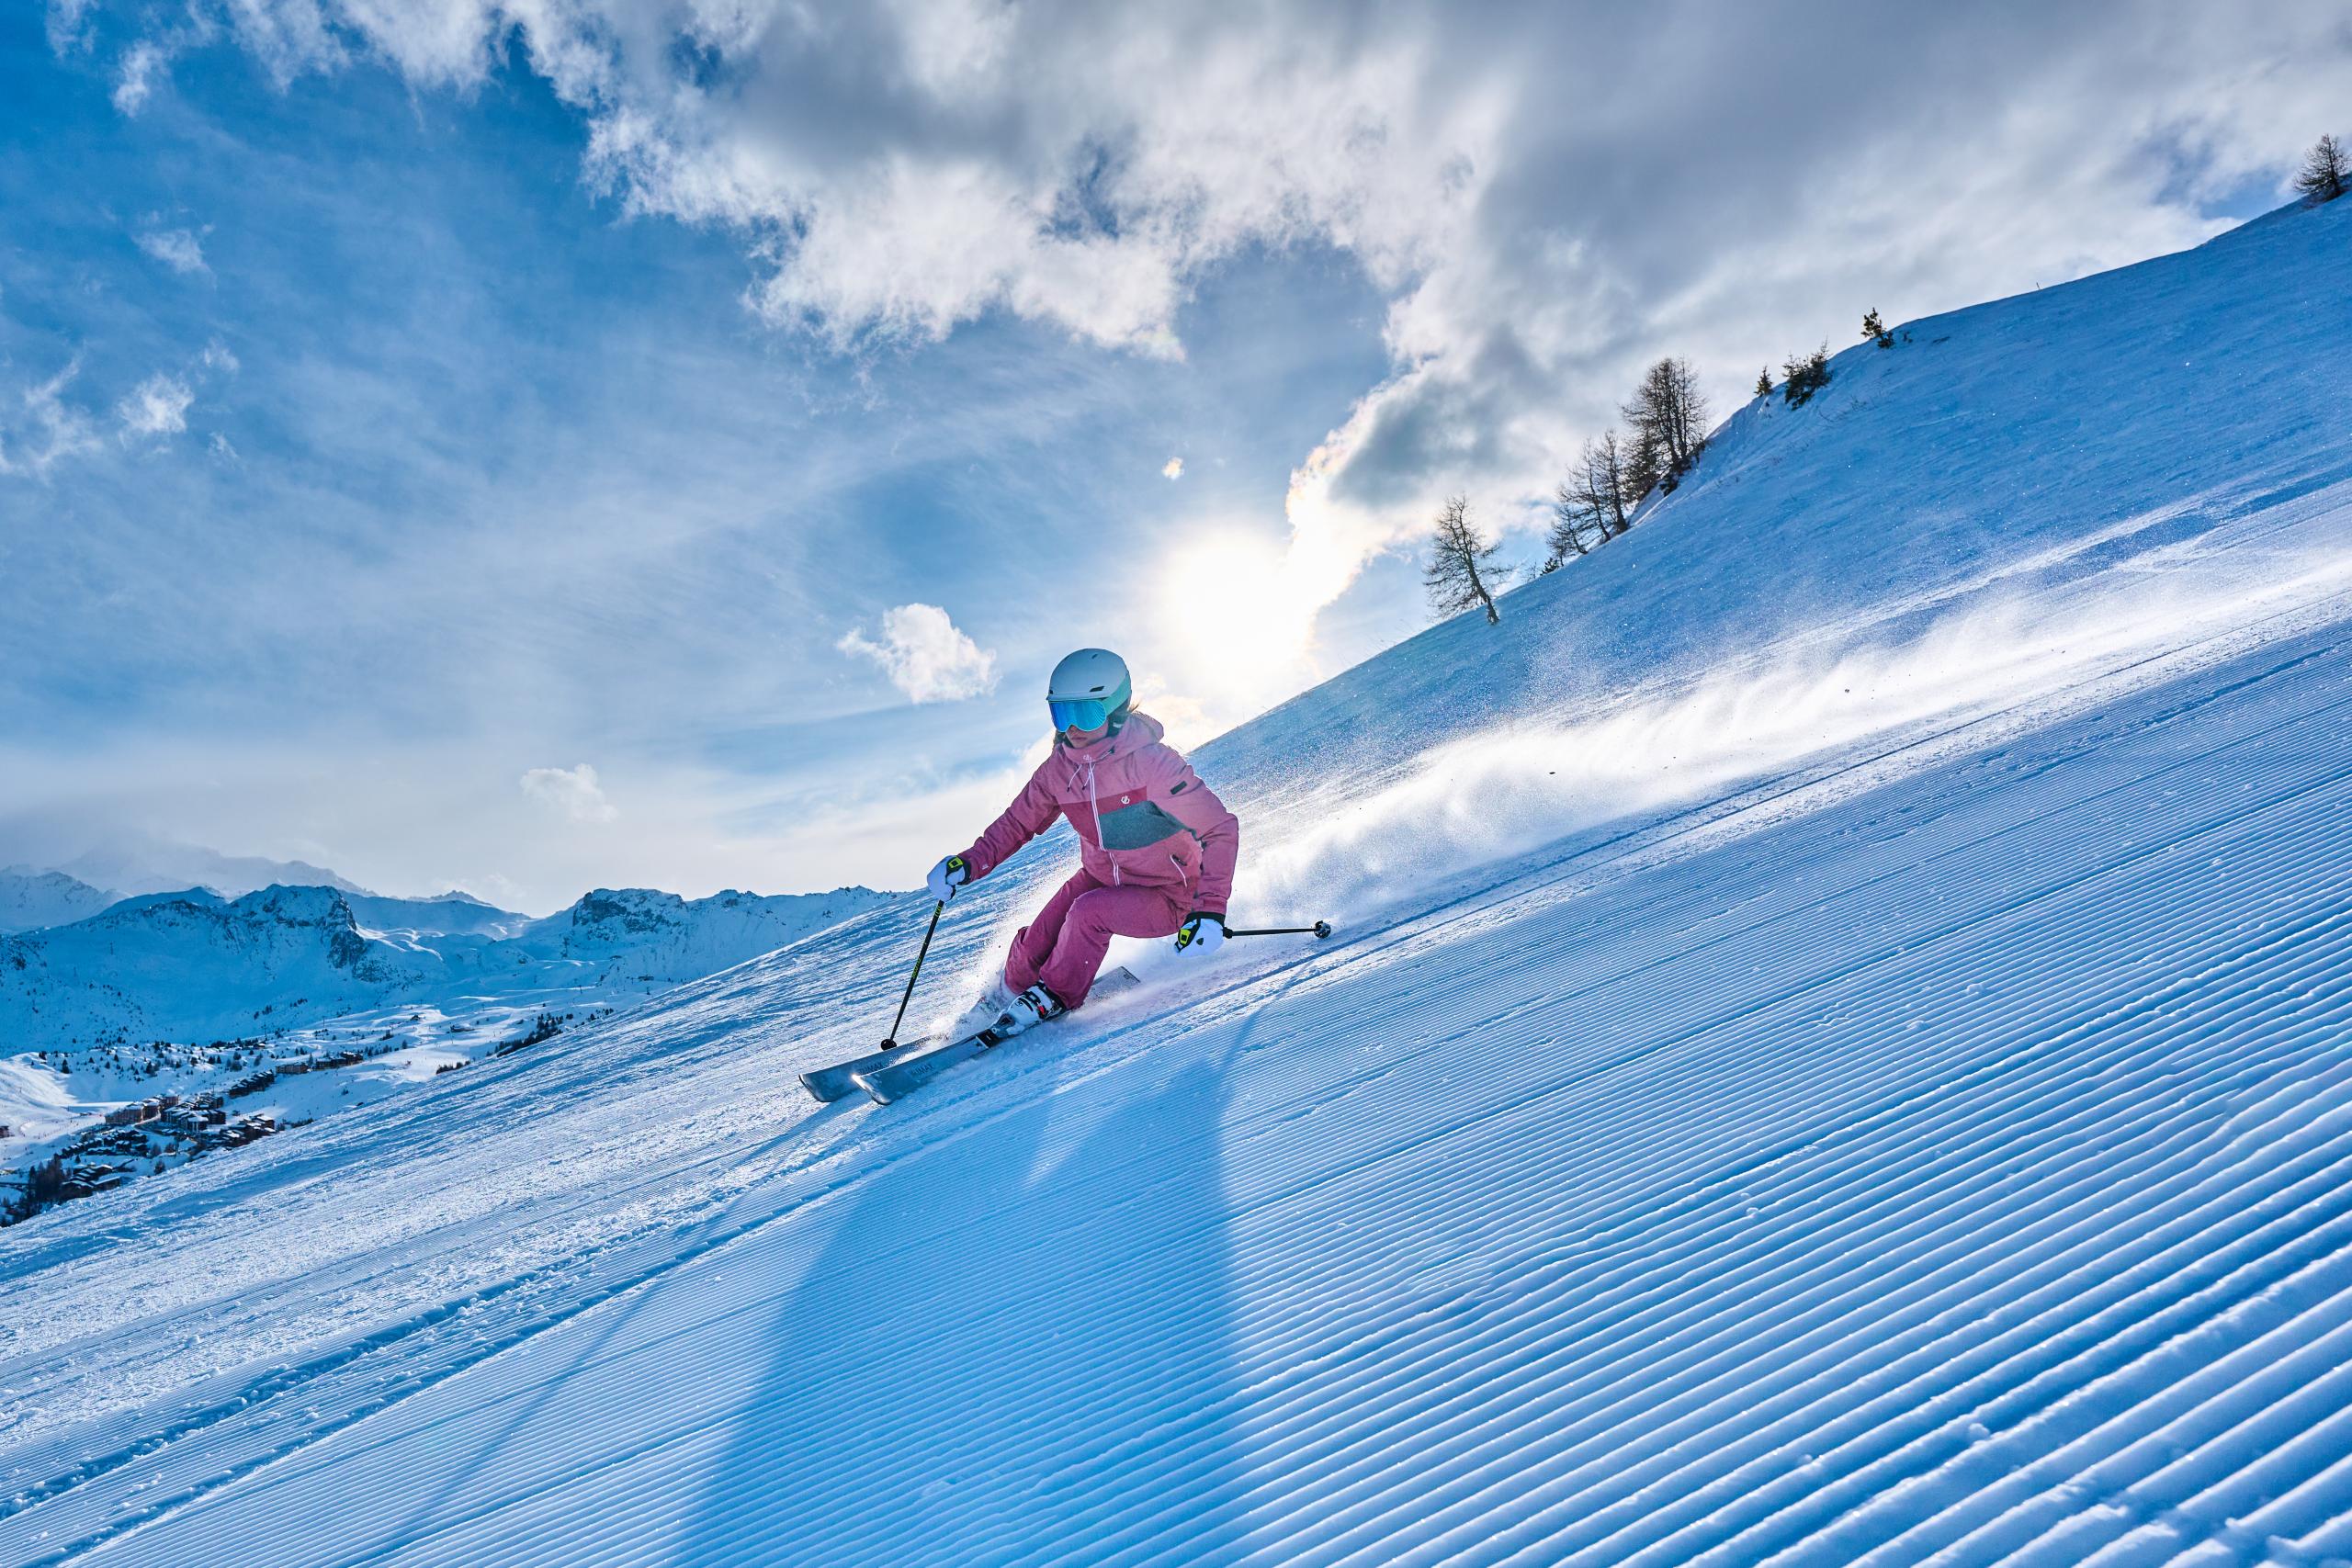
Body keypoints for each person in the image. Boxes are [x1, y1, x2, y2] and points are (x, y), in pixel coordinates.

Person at [925, 648, 1239, 1038]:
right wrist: (967, 863)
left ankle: (1053, 995)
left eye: (1085, 713)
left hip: (1172, 894)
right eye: (1062, 713)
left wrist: (1209, 911)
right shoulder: (1059, 770)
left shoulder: (1152, 763)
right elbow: (1016, 823)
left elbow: (1220, 829)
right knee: (1034, 942)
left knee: (1088, 914)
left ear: (1115, 709)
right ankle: (1001, 998)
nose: (1071, 727)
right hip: (1103, 877)